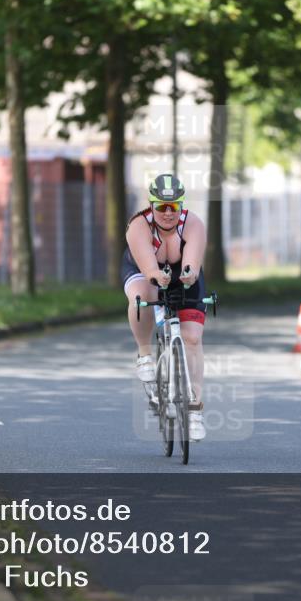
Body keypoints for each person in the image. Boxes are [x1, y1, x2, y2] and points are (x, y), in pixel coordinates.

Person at [122, 173, 207, 442]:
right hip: (143, 271)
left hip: (181, 275)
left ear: (181, 205)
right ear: (151, 205)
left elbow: (192, 260)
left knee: (192, 338)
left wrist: (190, 274)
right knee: (143, 296)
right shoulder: (139, 226)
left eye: (174, 206)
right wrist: (156, 276)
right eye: (161, 206)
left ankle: (194, 410)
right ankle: (145, 354)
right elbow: (149, 267)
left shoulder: (192, 223)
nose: (168, 213)